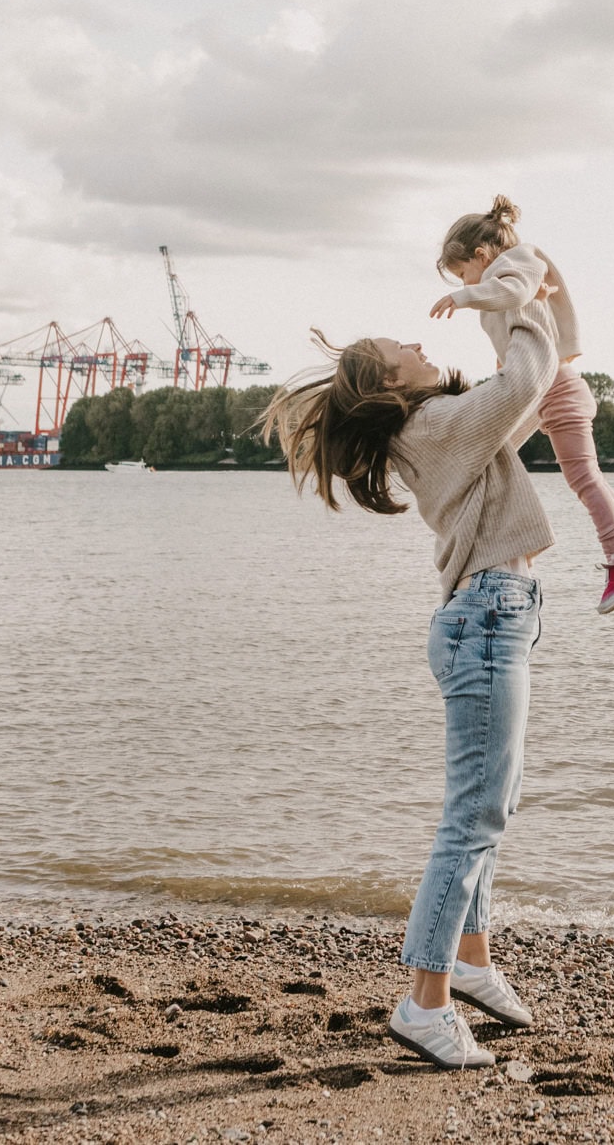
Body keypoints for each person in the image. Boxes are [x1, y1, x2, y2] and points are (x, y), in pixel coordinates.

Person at [261, 293, 559, 1071]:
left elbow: (536, 391)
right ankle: (426, 1004)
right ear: (391, 385)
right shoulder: (433, 426)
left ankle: (470, 961)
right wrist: (516, 292)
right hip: (488, 618)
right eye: (404, 345)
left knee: (492, 807)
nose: (420, 342)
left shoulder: (445, 430)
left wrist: (519, 303)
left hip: (494, 617)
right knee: (472, 818)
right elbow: (527, 376)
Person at [431, 196, 614, 615]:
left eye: (462, 274)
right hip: (547, 392)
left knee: (584, 479)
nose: (464, 285)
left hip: (557, 390)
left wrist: (465, 299)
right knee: (572, 472)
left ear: (481, 255)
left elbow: (513, 290)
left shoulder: (517, 263)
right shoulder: (501, 276)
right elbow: (516, 341)